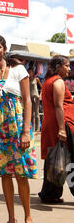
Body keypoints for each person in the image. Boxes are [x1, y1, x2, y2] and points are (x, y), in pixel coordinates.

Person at [0, 34, 37, 223]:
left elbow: (28, 101)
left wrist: (26, 131)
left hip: (17, 129)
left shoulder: (18, 70)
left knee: (21, 174)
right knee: (5, 175)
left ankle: (28, 218)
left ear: (4, 49)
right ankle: (11, 219)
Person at [38, 55, 74, 203]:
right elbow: (59, 106)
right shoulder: (58, 82)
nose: (69, 68)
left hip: (52, 124)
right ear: (58, 67)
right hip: (63, 124)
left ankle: (49, 194)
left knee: (54, 158)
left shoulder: (48, 81)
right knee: (70, 159)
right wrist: (62, 129)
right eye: (66, 65)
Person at [28, 68, 42, 133]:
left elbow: (42, 87)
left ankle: (38, 128)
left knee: (36, 113)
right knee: (32, 114)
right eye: (28, 72)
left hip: (35, 96)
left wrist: (40, 94)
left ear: (33, 73)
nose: (29, 73)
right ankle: (33, 128)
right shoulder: (27, 80)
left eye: (30, 72)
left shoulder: (36, 79)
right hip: (30, 97)